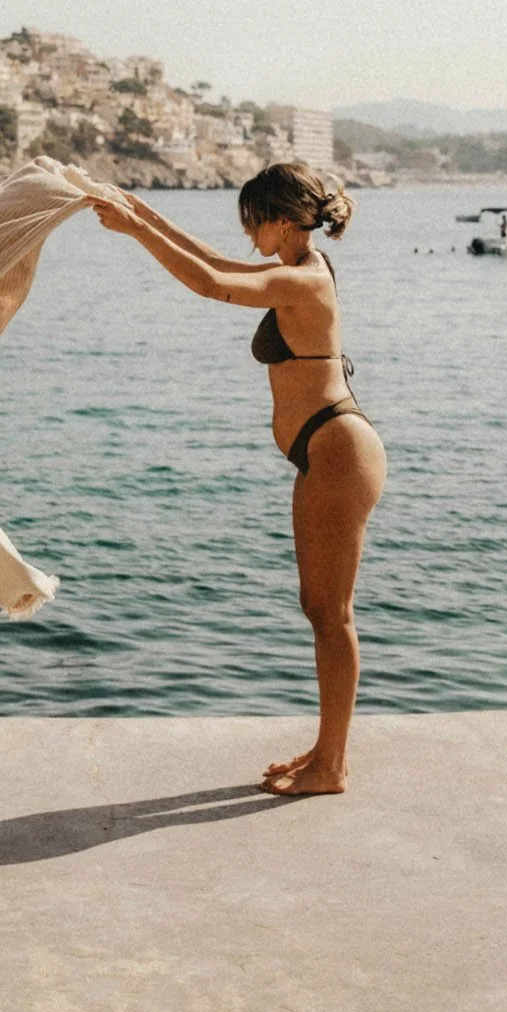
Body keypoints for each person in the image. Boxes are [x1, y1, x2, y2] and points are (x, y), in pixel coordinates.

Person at [92, 164, 386, 795]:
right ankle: (325, 752)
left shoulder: (304, 281)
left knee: (331, 614)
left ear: (281, 219)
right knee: (319, 608)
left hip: (339, 449)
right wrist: (143, 217)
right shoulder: (298, 266)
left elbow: (208, 282)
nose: (246, 230)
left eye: (253, 218)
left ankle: (331, 767)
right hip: (324, 451)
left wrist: (135, 233)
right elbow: (216, 260)